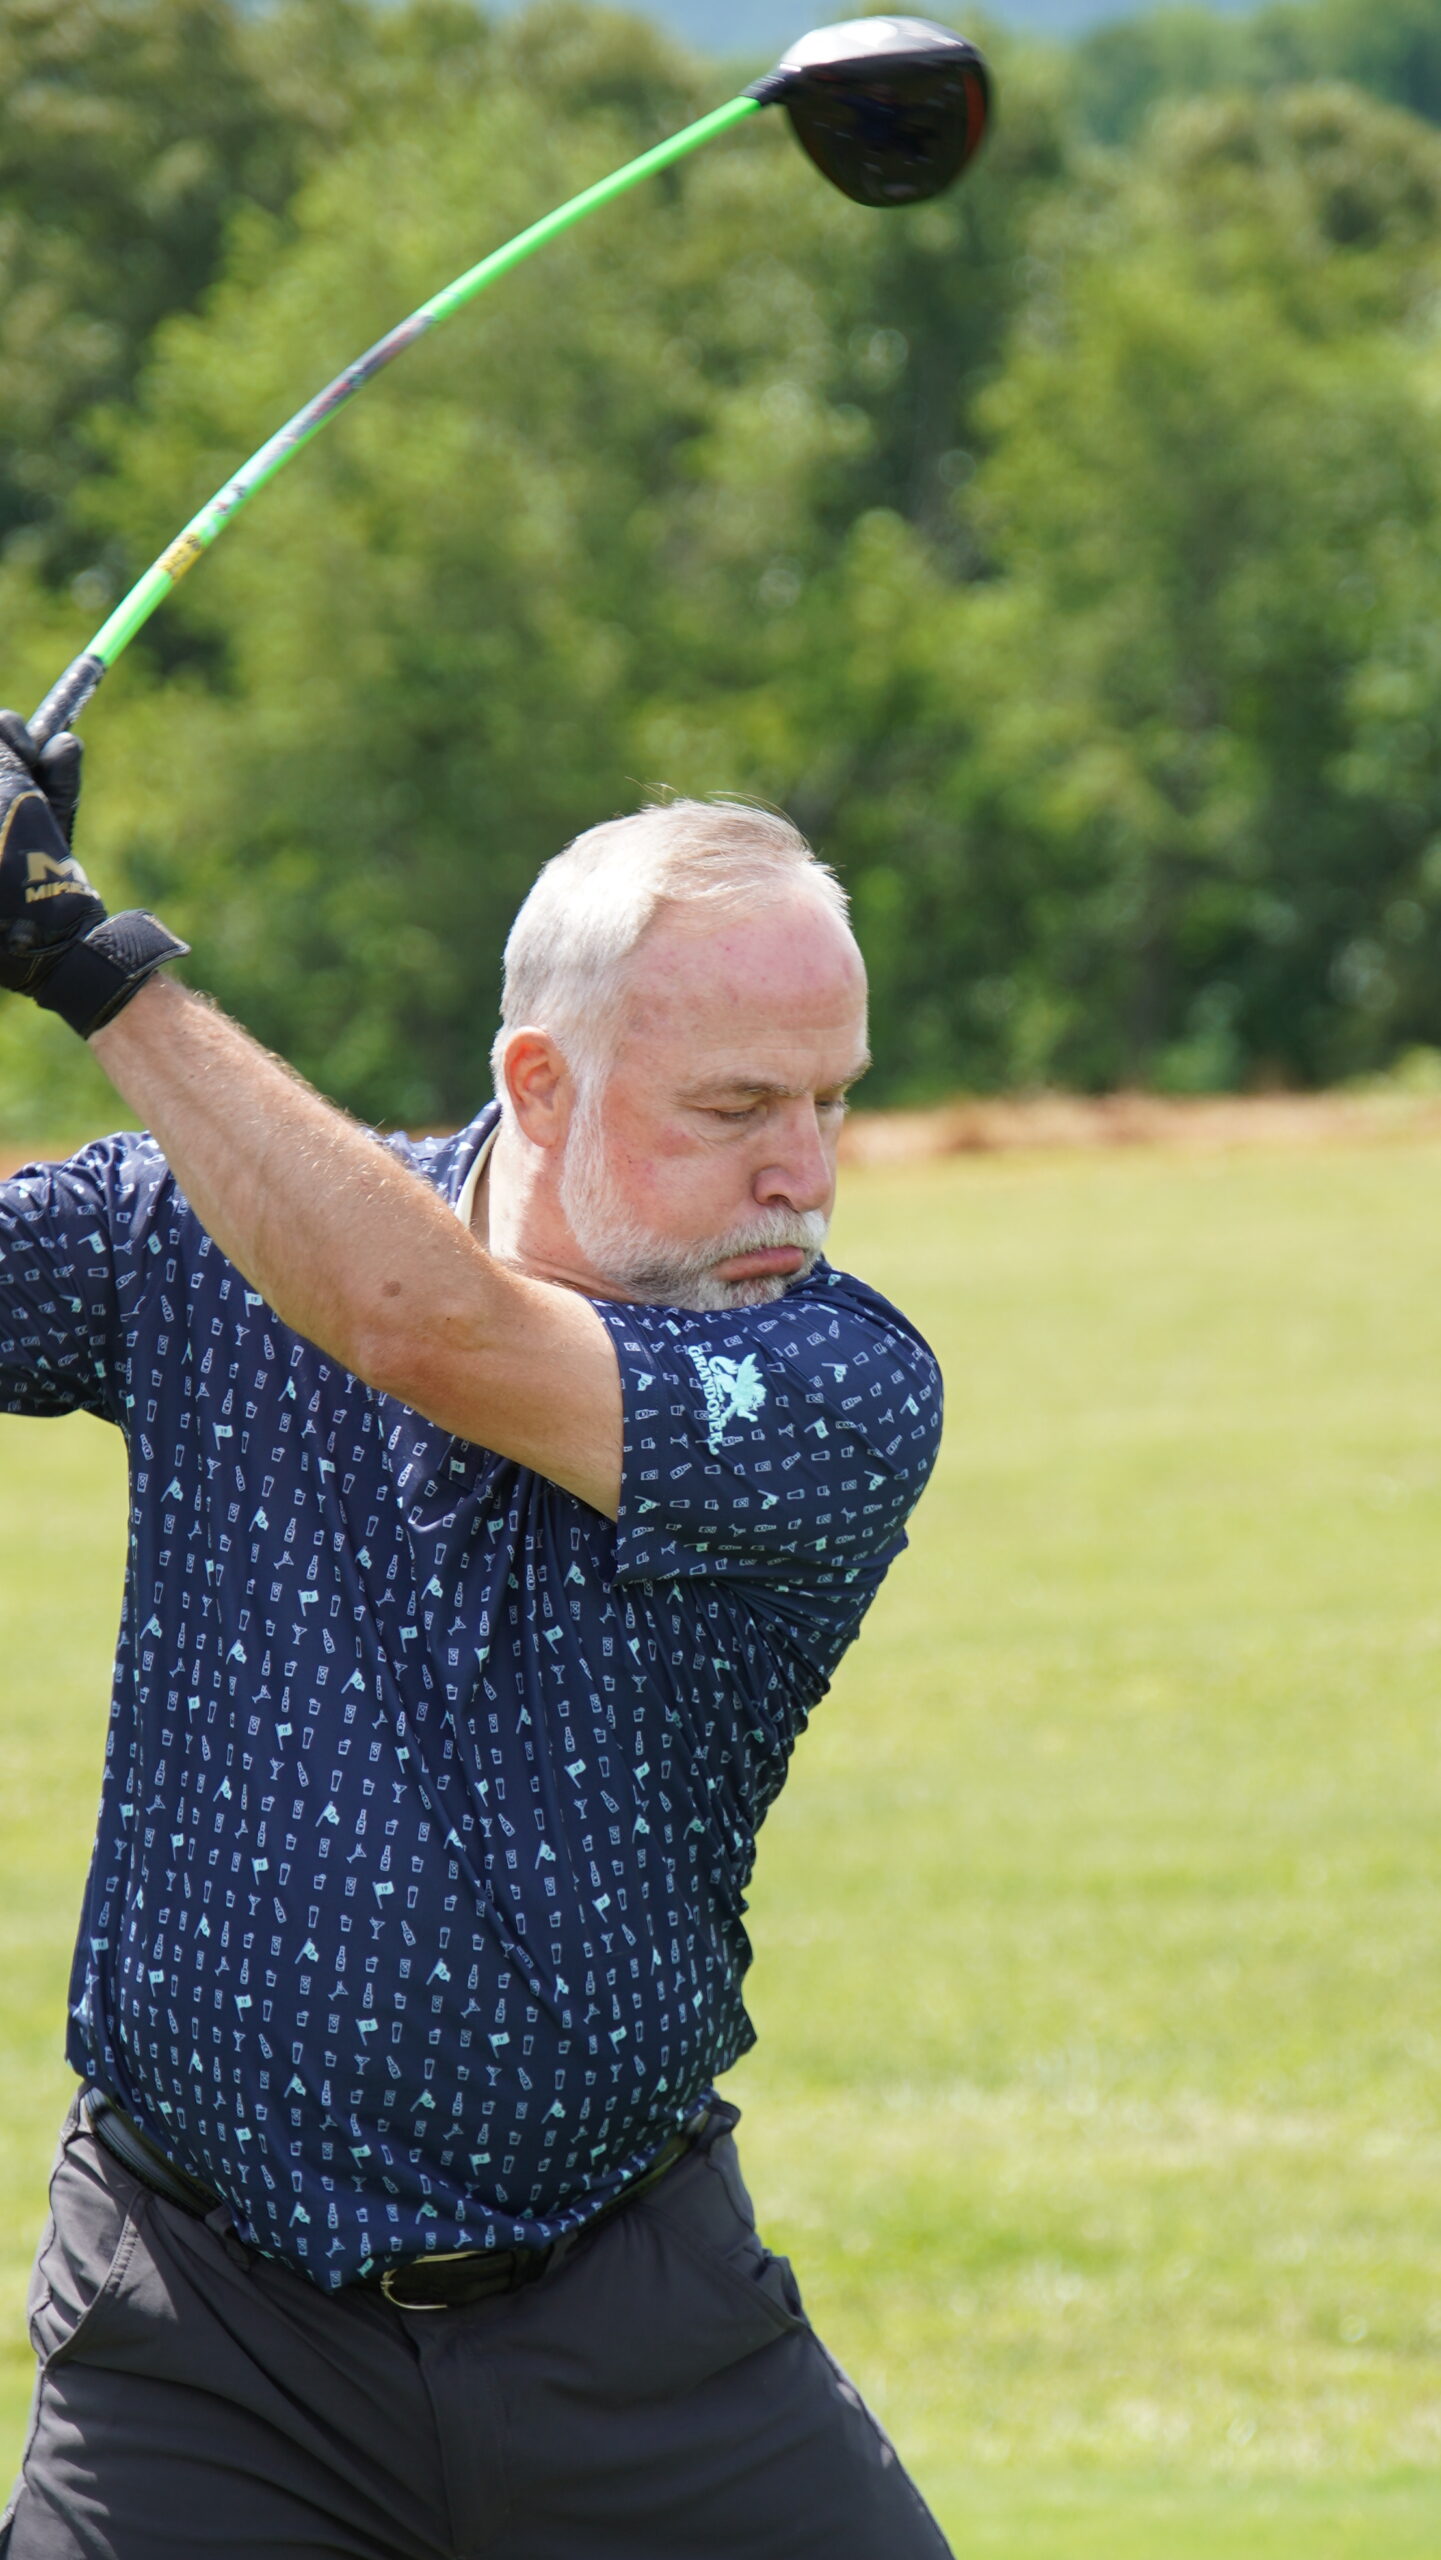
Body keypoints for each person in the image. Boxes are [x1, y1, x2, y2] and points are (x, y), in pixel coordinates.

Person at [0, 712, 946, 2560]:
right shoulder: (203, 1230)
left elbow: (425, 1328)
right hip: (200, 2342)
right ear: (540, 1080)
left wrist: (85, 959)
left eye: (831, 1102)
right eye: (737, 1109)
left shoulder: (836, 1379)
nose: (805, 1174)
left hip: (636, 2332)